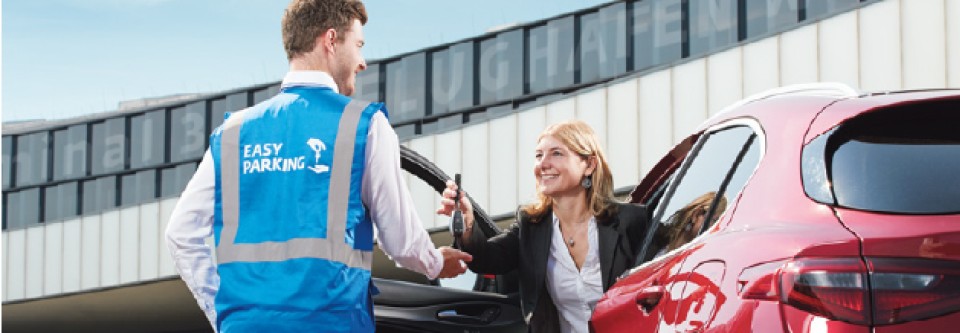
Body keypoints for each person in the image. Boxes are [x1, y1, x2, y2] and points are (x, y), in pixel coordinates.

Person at [164, 1, 471, 332]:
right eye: (358, 45)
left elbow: (181, 233)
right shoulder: (364, 125)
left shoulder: (232, 133)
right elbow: (402, 241)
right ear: (331, 40)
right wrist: (436, 263)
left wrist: (224, 315)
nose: (362, 62)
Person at [437, 120, 649, 333]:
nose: (543, 164)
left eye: (556, 153)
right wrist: (467, 223)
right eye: (539, 155)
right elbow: (486, 257)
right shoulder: (531, 227)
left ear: (589, 165)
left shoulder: (632, 221)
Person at [663, 192, 727, 252]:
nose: (716, 229)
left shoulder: (699, 256)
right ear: (696, 215)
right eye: (715, 221)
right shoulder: (658, 234)